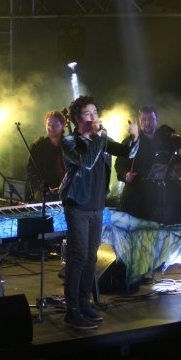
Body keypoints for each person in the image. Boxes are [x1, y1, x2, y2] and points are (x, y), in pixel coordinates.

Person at [59, 95, 132, 329]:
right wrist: (99, 137)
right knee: (78, 256)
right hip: (77, 205)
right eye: (88, 113)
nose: (93, 117)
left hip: (97, 205)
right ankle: (71, 309)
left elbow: (127, 152)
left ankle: (84, 301)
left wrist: (135, 137)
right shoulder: (69, 142)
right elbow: (87, 162)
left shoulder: (101, 139)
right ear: (77, 118)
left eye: (95, 113)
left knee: (91, 256)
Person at [114, 105, 181, 224]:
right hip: (136, 197)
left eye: (151, 119)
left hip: (160, 197)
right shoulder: (130, 141)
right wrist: (125, 175)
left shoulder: (168, 141)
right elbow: (119, 164)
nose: (147, 122)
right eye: (144, 119)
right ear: (139, 120)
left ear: (156, 120)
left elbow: (175, 164)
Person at [25, 109, 67, 202]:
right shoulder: (38, 146)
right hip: (44, 192)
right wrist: (42, 187)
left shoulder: (69, 144)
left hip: (65, 190)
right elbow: (31, 172)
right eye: (49, 124)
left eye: (55, 124)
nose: (51, 127)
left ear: (63, 125)